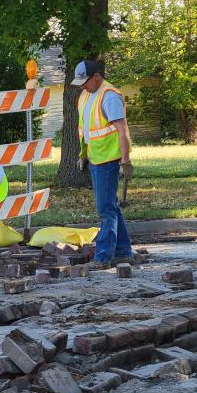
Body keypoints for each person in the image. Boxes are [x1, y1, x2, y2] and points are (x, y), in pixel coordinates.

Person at [73, 60, 135, 269]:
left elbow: (122, 129)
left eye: (85, 81)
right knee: (112, 207)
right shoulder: (85, 95)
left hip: (108, 160)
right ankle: (124, 252)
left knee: (105, 209)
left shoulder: (109, 96)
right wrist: (83, 154)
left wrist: (125, 160)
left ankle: (103, 256)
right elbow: (86, 129)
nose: (82, 85)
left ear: (97, 77)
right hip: (94, 157)